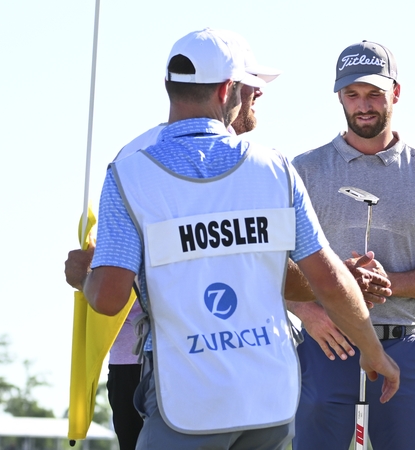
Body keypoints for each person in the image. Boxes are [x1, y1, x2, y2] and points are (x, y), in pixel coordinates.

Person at [64, 28, 399, 450]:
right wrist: (373, 351)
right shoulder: (275, 169)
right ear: (228, 90)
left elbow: (109, 298)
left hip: (185, 398)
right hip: (268, 399)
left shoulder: (128, 174)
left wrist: (84, 276)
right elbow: (327, 280)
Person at [83, 43, 281, 450]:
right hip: (160, 363)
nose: (259, 93)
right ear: (227, 90)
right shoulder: (146, 160)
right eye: (252, 84)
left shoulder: (139, 156)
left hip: (218, 362)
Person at [287, 41, 415, 450]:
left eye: (374, 94)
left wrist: (392, 284)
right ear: (339, 97)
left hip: (401, 341)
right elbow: (271, 264)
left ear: (395, 93)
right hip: (325, 344)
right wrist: (305, 311)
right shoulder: (304, 169)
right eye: (352, 95)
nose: (362, 105)